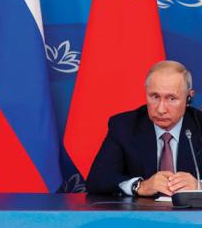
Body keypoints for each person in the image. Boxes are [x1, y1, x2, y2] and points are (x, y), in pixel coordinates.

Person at [86, 60, 202, 197]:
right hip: (140, 215)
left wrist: (198, 185)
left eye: (171, 98)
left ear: (189, 97)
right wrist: (140, 186)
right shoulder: (125, 126)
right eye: (155, 97)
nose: (161, 109)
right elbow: (97, 180)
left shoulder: (199, 124)